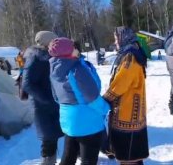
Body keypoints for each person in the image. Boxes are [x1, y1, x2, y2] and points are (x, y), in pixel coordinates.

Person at [48, 37, 110, 165]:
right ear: (68, 51)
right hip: (87, 122)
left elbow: (56, 97)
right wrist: (106, 108)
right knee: (88, 160)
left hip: (68, 120)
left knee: (68, 157)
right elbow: (92, 97)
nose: (76, 49)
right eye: (73, 47)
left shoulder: (53, 69)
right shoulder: (76, 68)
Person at [103, 26, 149, 165]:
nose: (115, 42)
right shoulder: (132, 51)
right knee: (132, 155)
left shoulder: (130, 56)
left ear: (124, 37)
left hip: (127, 111)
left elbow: (122, 82)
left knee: (128, 156)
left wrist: (106, 98)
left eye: (117, 38)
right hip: (132, 109)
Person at [22, 31, 63, 165]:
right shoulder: (35, 57)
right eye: (54, 40)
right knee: (48, 140)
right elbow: (27, 83)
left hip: (51, 104)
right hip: (43, 106)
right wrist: (47, 99)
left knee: (54, 137)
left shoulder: (45, 56)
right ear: (47, 42)